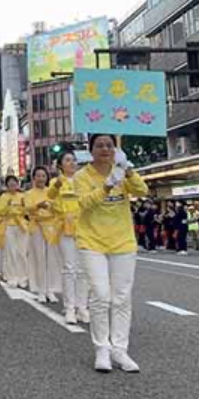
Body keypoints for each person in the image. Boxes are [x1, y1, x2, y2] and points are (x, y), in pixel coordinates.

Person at [74, 134, 148, 374]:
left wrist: (127, 171)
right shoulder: (81, 177)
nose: (105, 149)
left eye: (109, 145)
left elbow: (142, 190)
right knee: (100, 295)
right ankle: (102, 349)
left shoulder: (121, 171)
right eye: (99, 145)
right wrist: (106, 186)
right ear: (91, 150)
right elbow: (85, 204)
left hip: (123, 242)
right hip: (92, 241)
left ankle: (120, 349)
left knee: (121, 297)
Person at [48, 151, 90, 325]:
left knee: (83, 270)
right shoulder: (56, 182)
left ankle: (82, 307)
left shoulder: (84, 181)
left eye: (74, 160)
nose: (72, 163)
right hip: (65, 228)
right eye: (67, 160)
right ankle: (70, 308)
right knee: (69, 268)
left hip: (84, 228)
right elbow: (52, 200)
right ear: (60, 164)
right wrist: (58, 185)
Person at [25, 166, 61, 304]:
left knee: (52, 259)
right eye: (38, 176)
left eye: (43, 176)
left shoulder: (51, 192)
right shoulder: (28, 193)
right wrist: (37, 206)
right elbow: (27, 209)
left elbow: (57, 207)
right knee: (39, 258)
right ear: (33, 178)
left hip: (51, 227)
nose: (41, 178)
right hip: (37, 227)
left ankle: (50, 289)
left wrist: (50, 207)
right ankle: (40, 289)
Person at [0, 175, 29, 290]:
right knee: (11, 252)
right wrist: (7, 205)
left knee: (22, 252)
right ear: (6, 185)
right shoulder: (4, 197)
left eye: (14, 183)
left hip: (21, 225)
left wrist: (24, 207)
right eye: (10, 184)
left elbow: (27, 211)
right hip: (8, 226)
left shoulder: (22, 196)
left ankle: (23, 277)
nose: (12, 186)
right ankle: (12, 276)